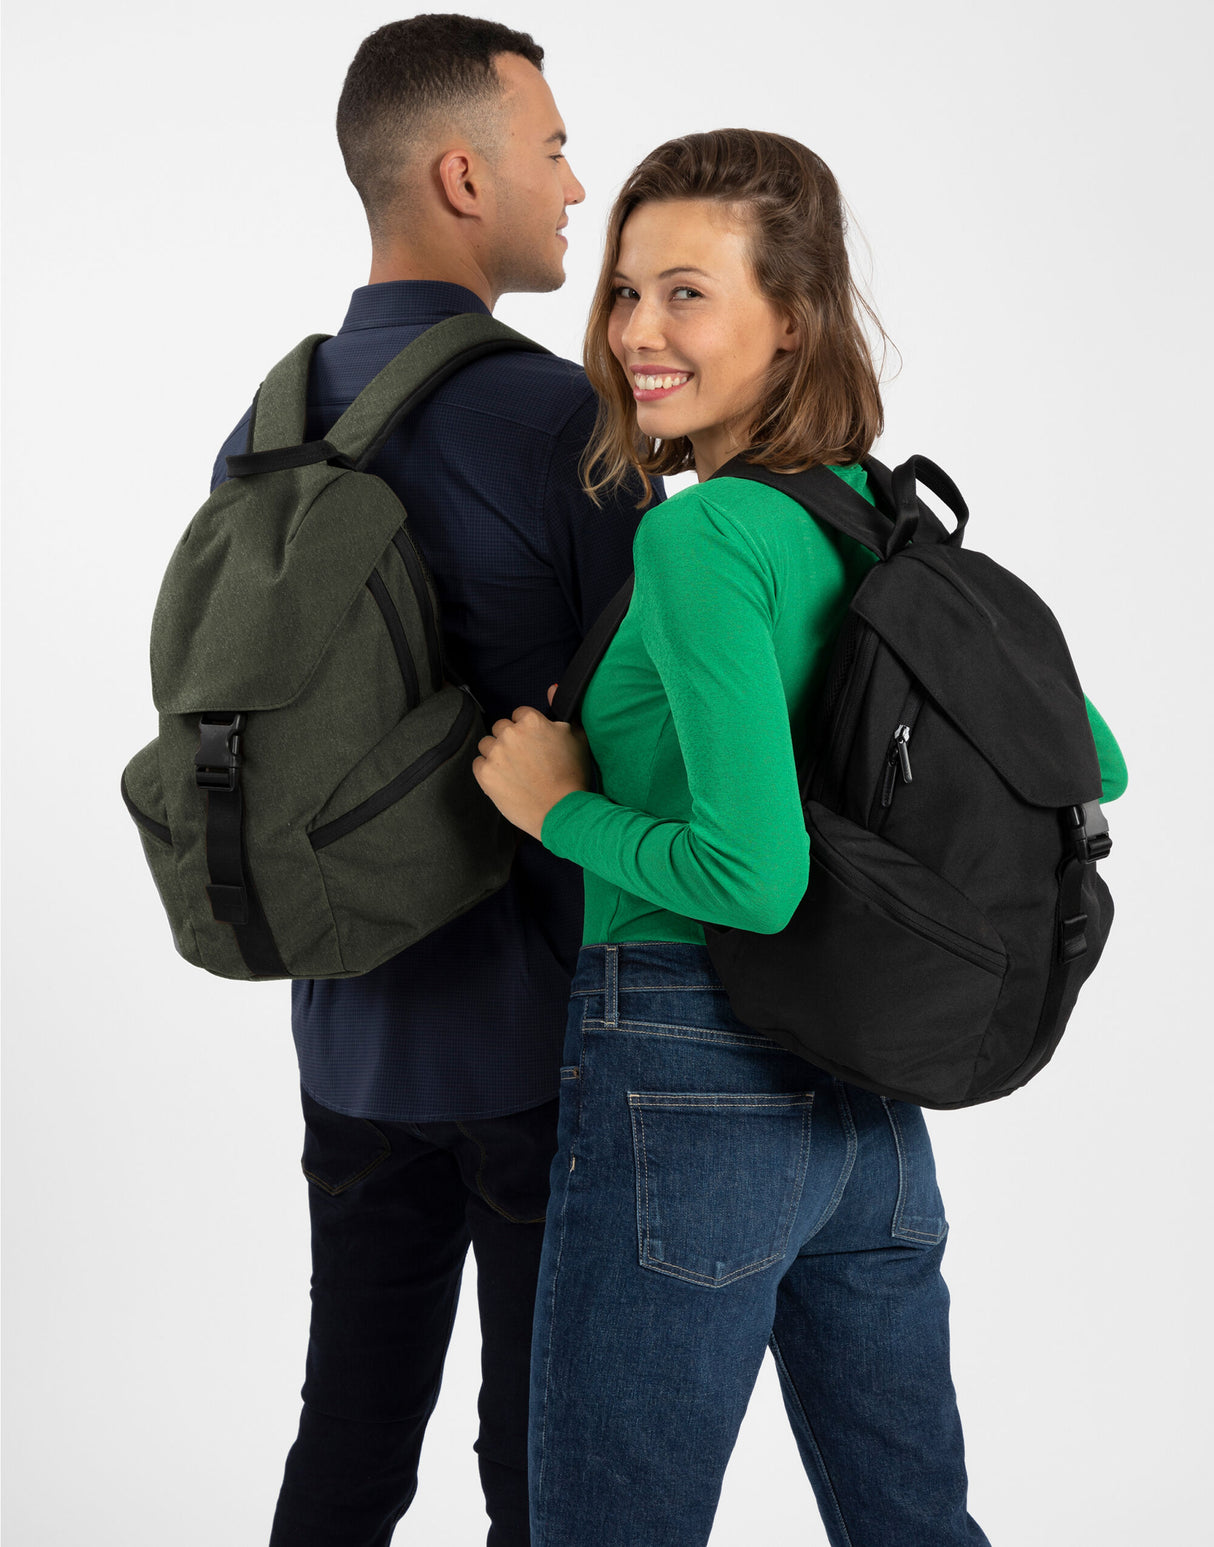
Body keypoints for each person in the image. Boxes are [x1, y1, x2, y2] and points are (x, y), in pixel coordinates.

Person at [473, 128, 1128, 1547]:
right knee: (911, 1524)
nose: (637, 333)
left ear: (792, 319)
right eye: (625, 290)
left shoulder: (703, 538)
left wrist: (554, 806)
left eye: (687, 295)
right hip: (866, 1100)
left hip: (684, 1062)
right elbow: (1094, 762)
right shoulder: (879, 525)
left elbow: (751, 880)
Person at [210, 17, 655, 1547]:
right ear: (463, 176)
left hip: (346, 1036)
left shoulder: (267, 429)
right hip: (545, 1044)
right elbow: (645, 738)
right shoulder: (566, 422)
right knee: (544, 1463)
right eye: (552, 150)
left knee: (347, 1440)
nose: (576, 185)